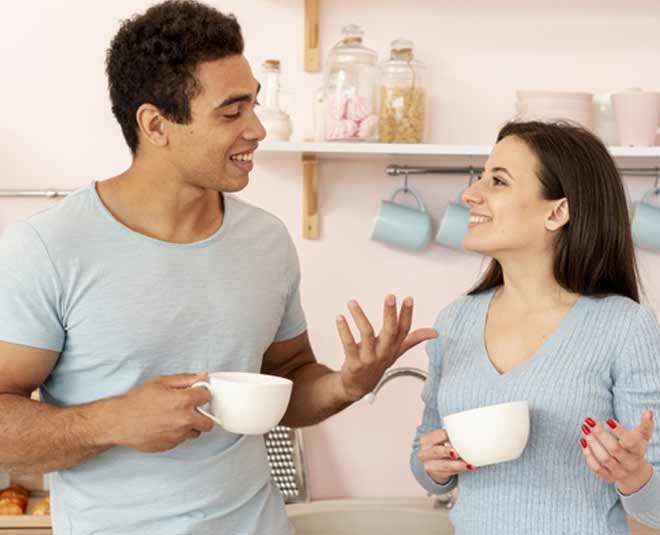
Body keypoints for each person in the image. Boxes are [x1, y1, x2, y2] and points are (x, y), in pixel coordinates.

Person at [0, 2, 437, 534]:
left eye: (254, 104)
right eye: (231, 113)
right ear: (155, 124)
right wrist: (110, 421)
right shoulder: (49, 247)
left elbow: (289, 379)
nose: (257, 129)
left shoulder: (265, 241)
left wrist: (345, 384)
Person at [411, 121, 660, 534]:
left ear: (557, 212)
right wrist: (433, 467)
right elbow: (426, 462)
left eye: (498, 181)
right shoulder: (455, 321)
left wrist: (634, 475)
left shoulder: (625, 327)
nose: (470, 194)